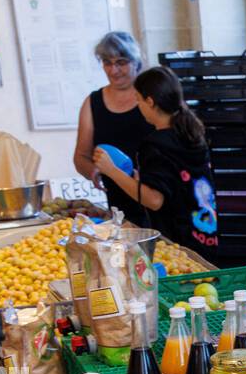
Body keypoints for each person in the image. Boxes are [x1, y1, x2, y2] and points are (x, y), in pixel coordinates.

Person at [93, 66, 219, 254]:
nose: (138, 106)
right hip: (205, 238)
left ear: (150, 101)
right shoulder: (191, 133)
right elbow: (173, 184)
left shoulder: (155, 144)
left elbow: (154, 200)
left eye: (139, 100)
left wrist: (111, 171)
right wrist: (137, 180)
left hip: (176, 245)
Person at [73, 31, 150, 226]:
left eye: (121, 62)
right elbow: (81, 156)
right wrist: (94, 171)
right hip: (119, 203)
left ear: (136, 62)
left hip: (156, 198)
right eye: (108, 63)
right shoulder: (93, 102)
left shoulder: (152, 97)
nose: (114, 70)